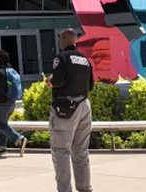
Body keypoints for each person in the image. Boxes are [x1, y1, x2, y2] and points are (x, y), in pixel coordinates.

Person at [45, 28, 93, 192]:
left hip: (65, 109)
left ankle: (65, 190)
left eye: (60, 38)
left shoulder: (61, 58)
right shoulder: (85, 59)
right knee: (81, 152)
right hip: (84, 106)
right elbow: (91, 85)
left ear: (65, 38)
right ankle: (85, 188)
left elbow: (57, 81)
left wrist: (50, 80)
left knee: (61, 151)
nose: (59, 40)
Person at [0, 49, 27, 155]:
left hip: (0, 103)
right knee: (2, 124)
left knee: (0, 124)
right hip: (11, 102)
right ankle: (0, 147)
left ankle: (19, 139)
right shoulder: (11, 69)